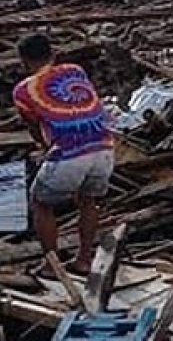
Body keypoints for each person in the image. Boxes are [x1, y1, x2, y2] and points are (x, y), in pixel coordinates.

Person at [13, 34, 113, 275]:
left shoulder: (23, 90)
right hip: (104, 146)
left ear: (23, 61)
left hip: (69, 153)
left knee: (40, 203)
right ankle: (84, 259)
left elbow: (35, 127)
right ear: (53, 53)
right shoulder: (75, 70)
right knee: (88, 201)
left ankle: (51, 264)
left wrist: (45, 149)